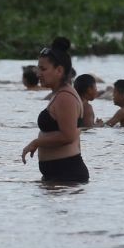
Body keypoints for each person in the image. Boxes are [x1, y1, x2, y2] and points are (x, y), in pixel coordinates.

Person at [21, 39, 88, 182]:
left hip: (67, 175)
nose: (38, 73)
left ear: (59, 70)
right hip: (60, 175)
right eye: (38, 68)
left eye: (43, 69)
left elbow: (68, 136)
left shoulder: (65, 97)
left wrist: (36, 142)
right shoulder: (59, 94)